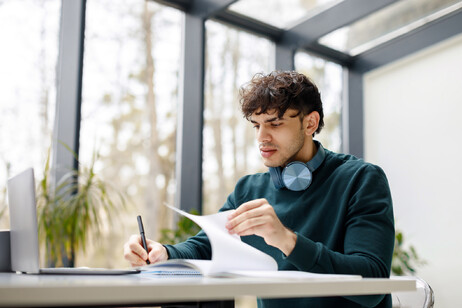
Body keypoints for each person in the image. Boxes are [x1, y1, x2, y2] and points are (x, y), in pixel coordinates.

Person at [124, 71, 395, 308]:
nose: (261, 138)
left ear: (310, 123)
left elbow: (372, 286)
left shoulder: (361, 179)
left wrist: (287, 240)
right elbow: (206, 247)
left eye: (275, 124)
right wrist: (165, 254)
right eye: (256, 125)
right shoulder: (249, 189)